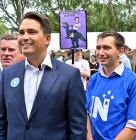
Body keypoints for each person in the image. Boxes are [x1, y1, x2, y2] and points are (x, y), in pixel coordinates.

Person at [0, 12, 87, 140]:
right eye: (21, 32)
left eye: (31, 32)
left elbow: (77, 130)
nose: (24, 37)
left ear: (47, 39)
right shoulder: (7, 74)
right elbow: (2, 122)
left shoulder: (69, 76)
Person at [86, 31, 136, 140]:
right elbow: (87, 114)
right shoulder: (93, 79)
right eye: (98, 47)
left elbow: (134, 126)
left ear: (120, 51)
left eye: (106, 48)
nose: (100, 52)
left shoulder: (134, 82)